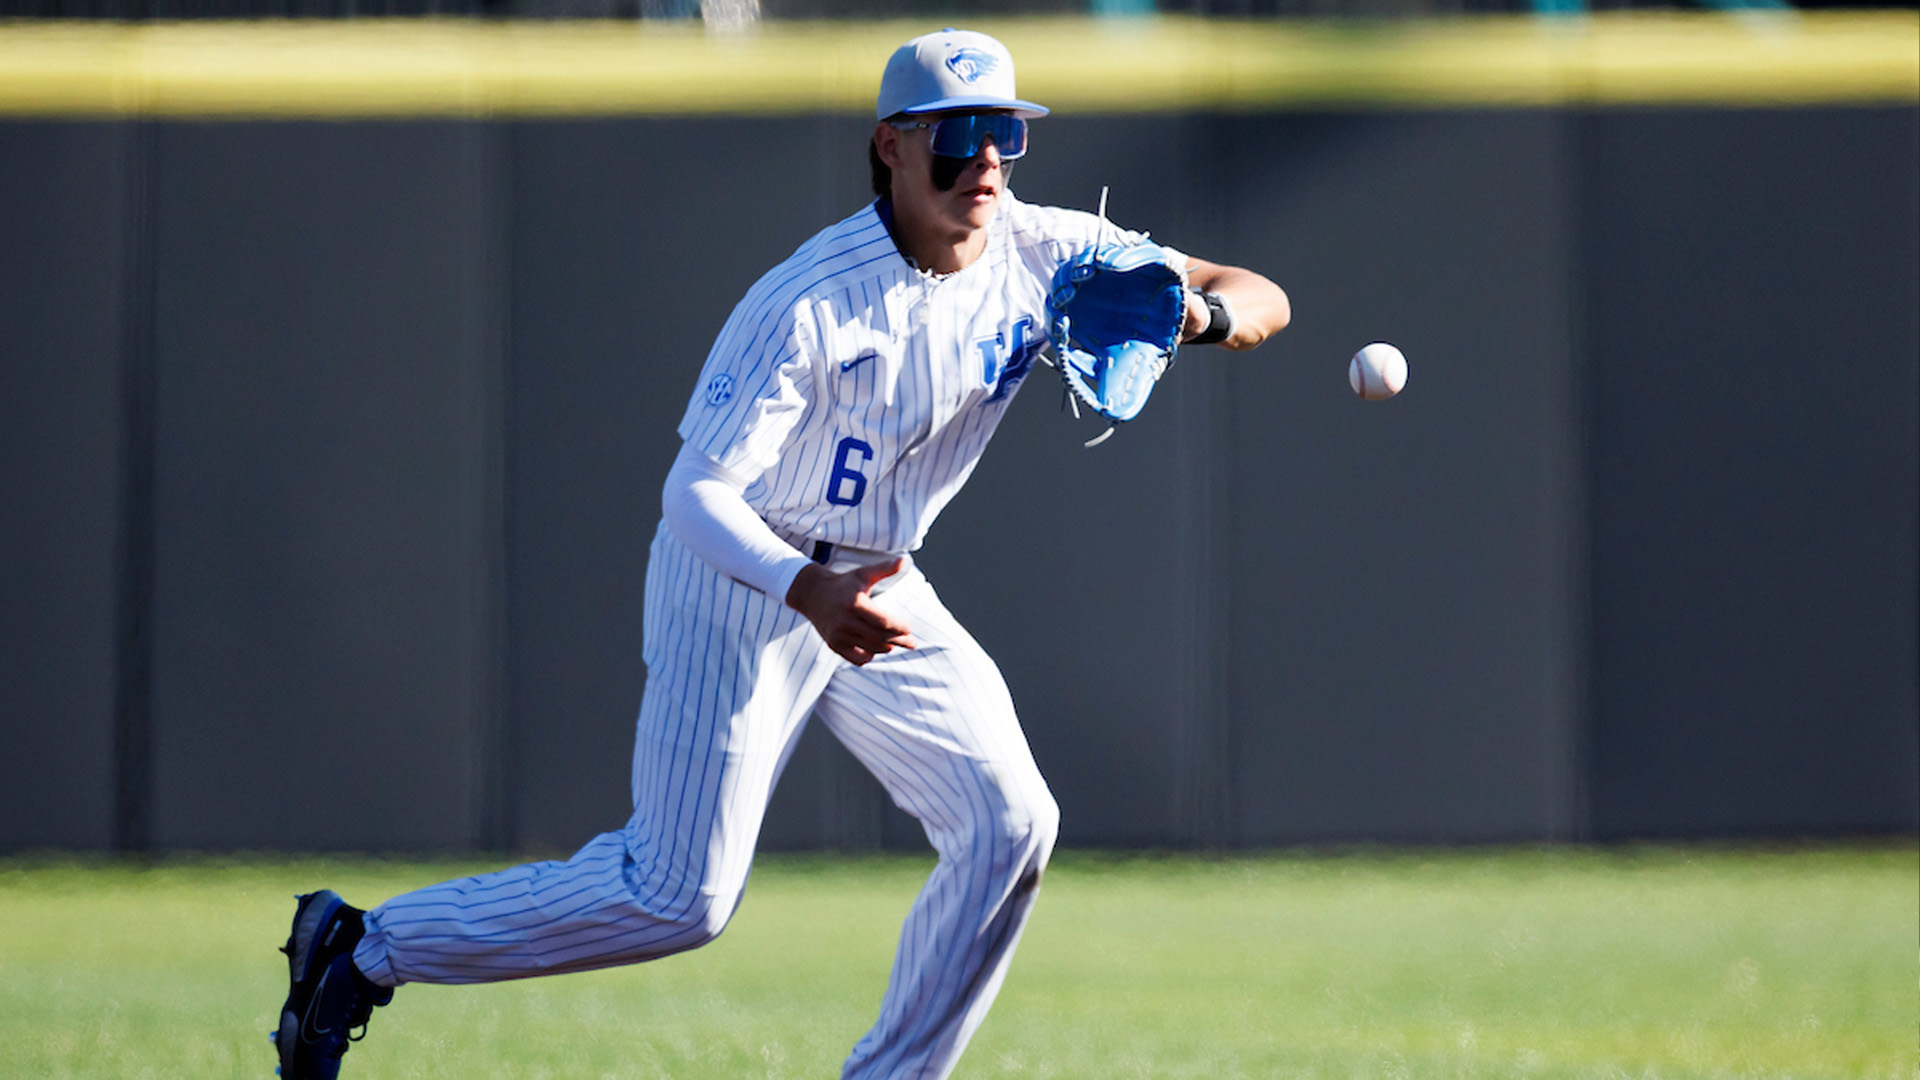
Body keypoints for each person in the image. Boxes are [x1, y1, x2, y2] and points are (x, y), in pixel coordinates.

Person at [274, 27, 1290, 1080]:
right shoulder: (807, 298)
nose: (987, 161)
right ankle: (365, 949)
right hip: (749, 577)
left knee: (1011, 820)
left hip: (884, 580)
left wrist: (1200, 316)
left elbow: (1260, 291)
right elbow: (693, 495)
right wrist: (803, 588)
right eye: (960, 136)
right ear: (891, 146)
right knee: (679, 898)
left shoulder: (1048, 251)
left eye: (1006, 135)